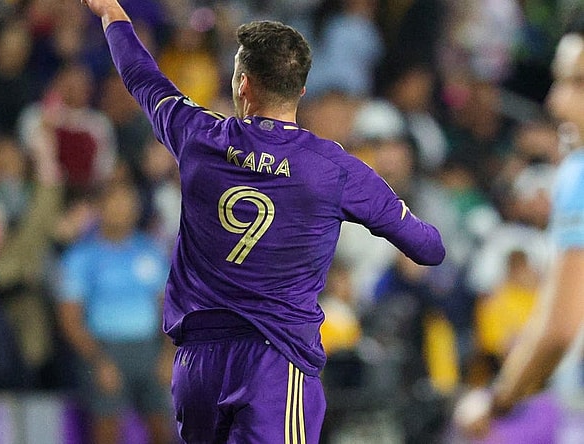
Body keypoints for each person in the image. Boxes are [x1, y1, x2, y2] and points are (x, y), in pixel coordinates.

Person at [82, 1, 446, 442]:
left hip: (197, 365)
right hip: (275, 362)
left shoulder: (198, 135)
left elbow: (141, 75)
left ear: (243, 83)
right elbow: (429, 248)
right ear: (301, 91)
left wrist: (110, 13)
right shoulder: (334, 168)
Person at [454, 18, 584, 439]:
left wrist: (495, 401)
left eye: (580, 84)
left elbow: (559, 328)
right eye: (561, 81)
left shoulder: (578, 176)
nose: (558, 102)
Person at [52, 178, 174, 444]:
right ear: (100, 207)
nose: (123, 209)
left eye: (128, 203)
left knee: (162, 429)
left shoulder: (150, 251)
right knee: (106, 430)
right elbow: (70, 319)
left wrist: (168, 354)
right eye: (115, 203)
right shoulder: (80, 257)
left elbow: (169, 309)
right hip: (104, 350)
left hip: (149, 350)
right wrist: (97, 361)